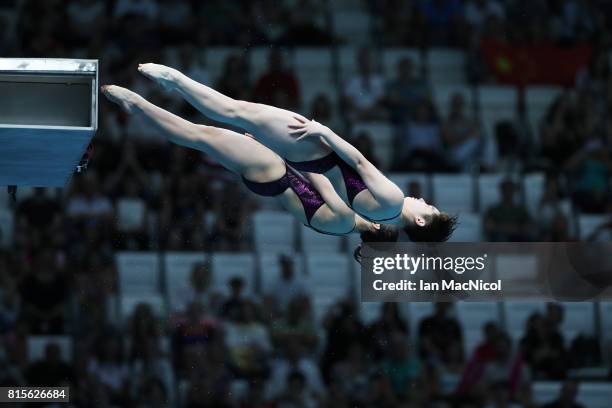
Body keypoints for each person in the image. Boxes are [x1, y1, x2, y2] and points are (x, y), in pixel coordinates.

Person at [136, 63, 457, 242]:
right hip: (307, 158)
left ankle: (175, 80)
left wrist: (325, 131)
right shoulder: (374, 215)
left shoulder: (393, 200)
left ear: (419, 220)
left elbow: (358, 160)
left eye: (427, 207)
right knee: (234, 115)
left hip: (313, 146)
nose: (423, 201)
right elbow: (336, 180)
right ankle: (173, 86)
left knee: (235, 110)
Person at [101, 85, 388, 239]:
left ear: (374, 228)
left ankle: (137, 104)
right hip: (272, 178)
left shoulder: (345, 221)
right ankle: (141, 105)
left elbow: (319, 179)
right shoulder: (343, 226)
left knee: (200, 135)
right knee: (201, 135)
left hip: (277, 175)